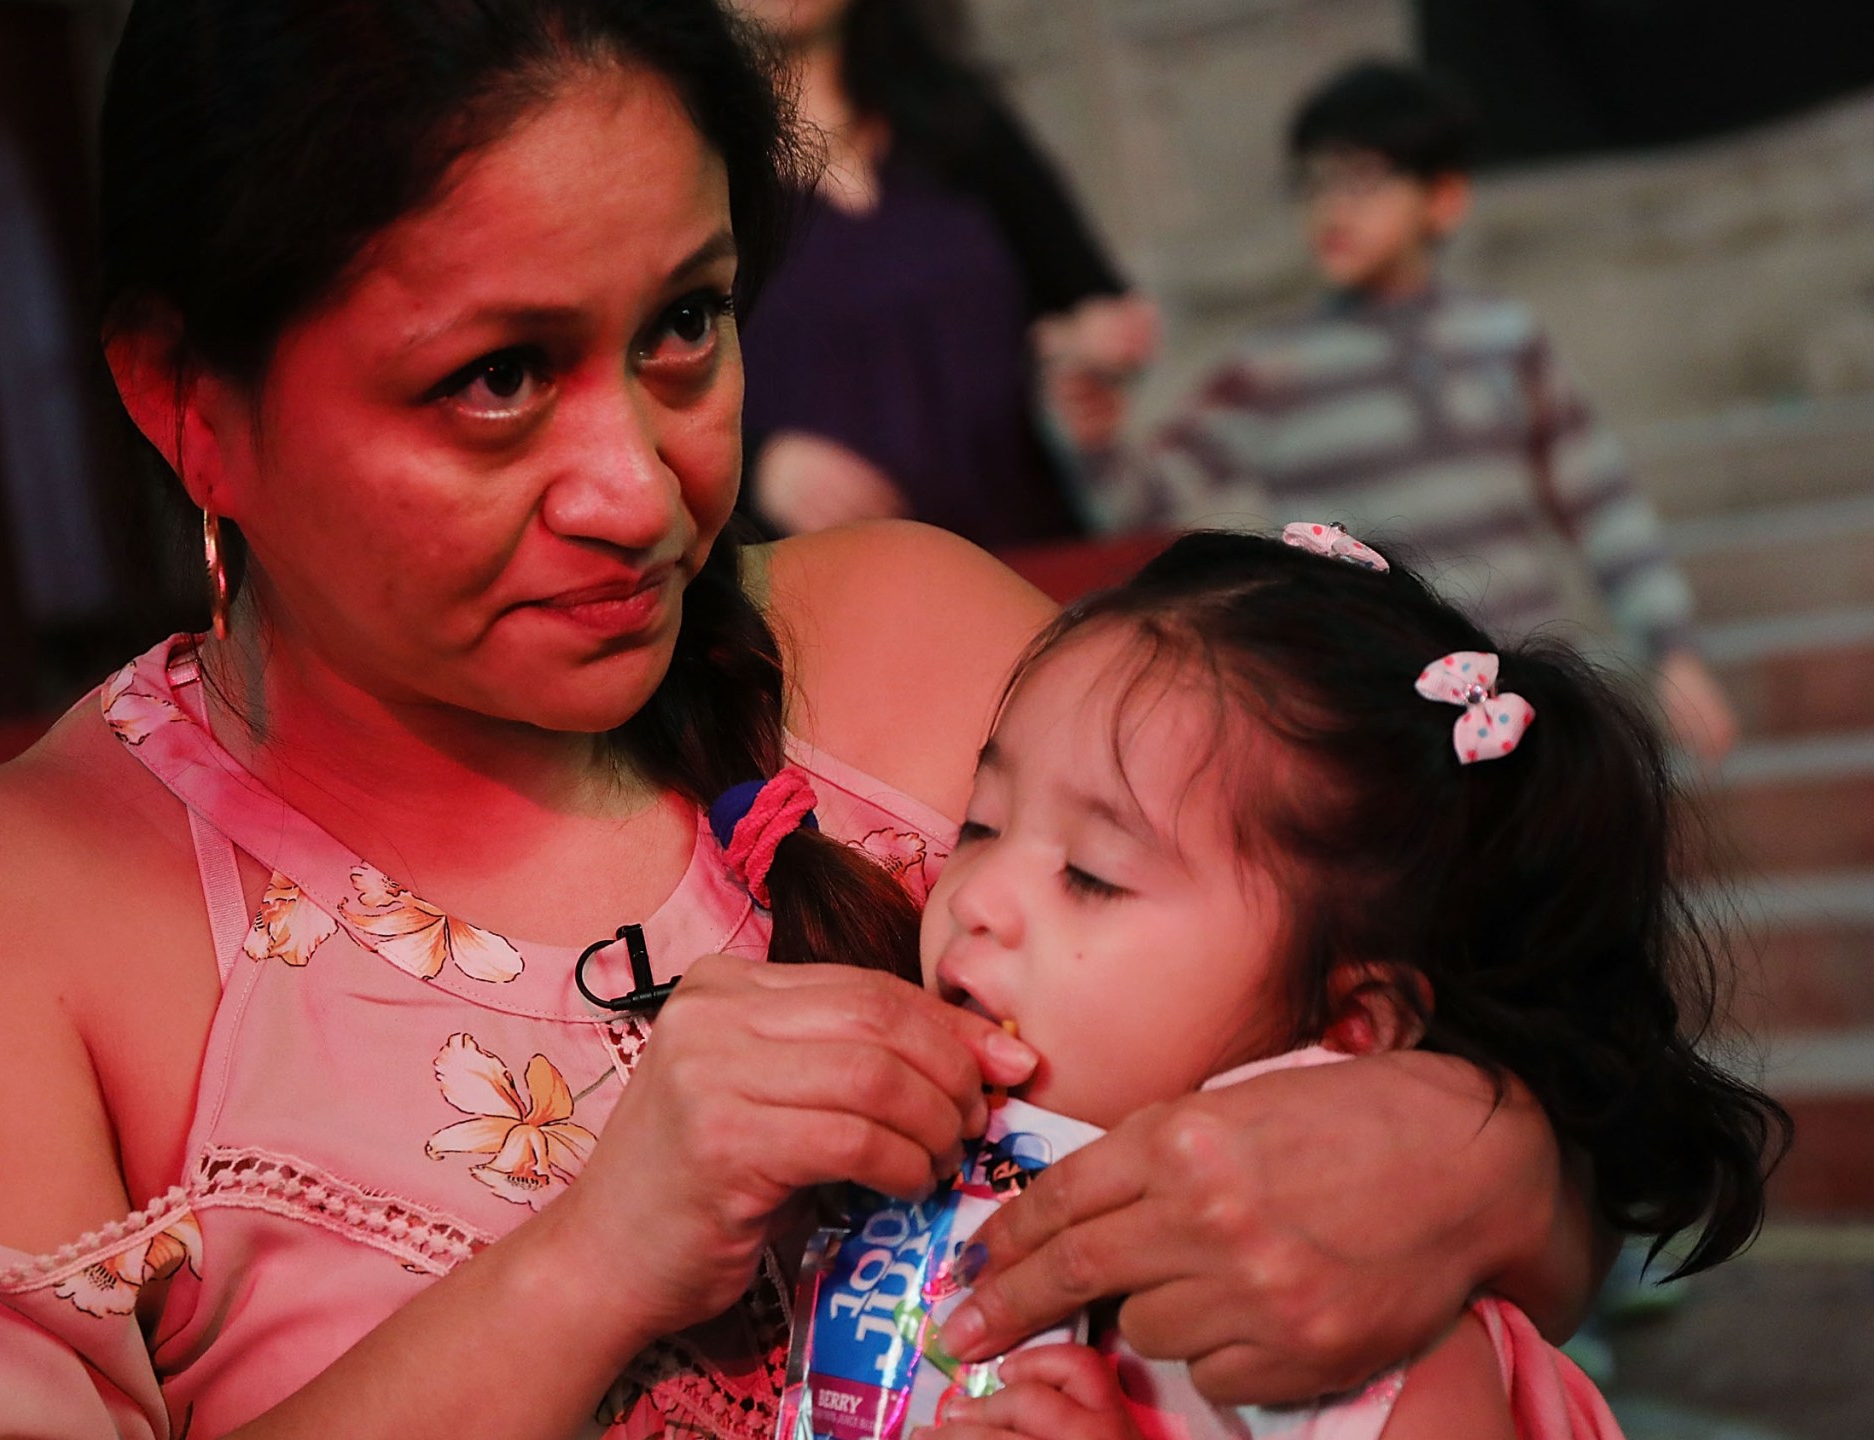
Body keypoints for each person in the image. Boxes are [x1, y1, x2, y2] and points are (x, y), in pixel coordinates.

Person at [0, 6, 1599, 1437]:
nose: (638, 492)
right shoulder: (4, 924)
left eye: (685, 330)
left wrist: (1477, 1160)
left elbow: (1547, 1186)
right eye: (496, 381)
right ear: (189, 403)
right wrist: (595, 1259)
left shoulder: (931, 667)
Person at [837, 525, 1786, 1439]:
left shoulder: (1360, 1333)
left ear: (1352, 1026)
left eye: (1092, 873)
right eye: (981, 825)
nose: (976, 897)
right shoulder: (909, 1194)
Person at [1060, 62, 1740, 767]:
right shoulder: (1273, 367)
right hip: (1373, 722)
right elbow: (1137, 507)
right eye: (1314, 183)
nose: (1332, 208)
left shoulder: (1504, 338)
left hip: (1523, 698)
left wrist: (1674, 651)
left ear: (1443, 199)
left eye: (1362, 180)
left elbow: (1602, 503)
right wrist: (1096, 439)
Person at [732, 0, 1159, 545]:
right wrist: (761, 466)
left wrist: (1084, 360)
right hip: (826, 581)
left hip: (1028, 544)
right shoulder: (700, 163)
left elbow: (1094, 305)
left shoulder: (957, 120)